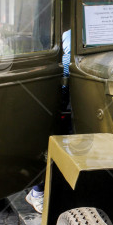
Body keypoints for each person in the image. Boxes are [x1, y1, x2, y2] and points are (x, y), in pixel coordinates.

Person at [25, 29, 72, 213]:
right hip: (64, 92)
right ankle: (37, 190)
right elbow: (66, 66)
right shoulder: (71, 34)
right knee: (58, 137)